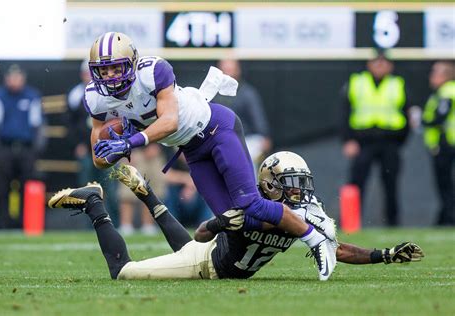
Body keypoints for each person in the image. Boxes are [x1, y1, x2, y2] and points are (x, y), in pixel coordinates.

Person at [83, 32, 336, 278]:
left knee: (249, 203)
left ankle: (314, 238)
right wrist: (112, 149)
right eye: (103, 71)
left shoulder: (152, 72)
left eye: (116, 69)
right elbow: (99, 159)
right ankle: (300, 215)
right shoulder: (96, 97)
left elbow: (170, 121)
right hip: (192, 150)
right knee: (234, 221)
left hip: (216, 129)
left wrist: (129, 142)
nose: (110, 77)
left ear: (133, 63)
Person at [48, 152, 424, 281]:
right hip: (207, 262)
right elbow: (199, 236)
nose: (298, 191)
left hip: (217, 258)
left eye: (301, 183)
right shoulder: (250, 204)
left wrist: (384, 255)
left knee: (190, 251)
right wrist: (221, 221)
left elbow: (335, 249)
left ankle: (145, 192)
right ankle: (94, 205)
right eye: (290, 184)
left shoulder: (305, 213)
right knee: (124, 273)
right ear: (271, 184)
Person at [340, 50, 411, 226]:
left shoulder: (398, 84)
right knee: (357, 182)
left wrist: (401, 140)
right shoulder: (357, 82)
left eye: (383, 62)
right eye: (376, 62)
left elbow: (408, 114)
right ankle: (351, 222)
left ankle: (393, 223)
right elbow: (344, 112)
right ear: (369, 64)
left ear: (390, 65)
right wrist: (348, 140)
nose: (380, 66)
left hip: (389, 141)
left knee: (390, 183)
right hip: (364, 140)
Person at [0, 64, 46, 229]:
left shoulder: (32, 95)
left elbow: (38, 125)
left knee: (27, 187)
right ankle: (2, 224)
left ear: (23, 78)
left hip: (26, 149)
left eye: (17, 77)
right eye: (11, 77)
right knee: (2, 188)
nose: (14, 80)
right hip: (5, 148)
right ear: (6, 79)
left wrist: (36, 150)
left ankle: (26, 223)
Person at [66, 59, 119, 226]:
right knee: (88, 188)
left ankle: (114, 223)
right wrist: (77, 144)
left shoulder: (107, 92)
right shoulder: (75, 95)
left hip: (106, 146)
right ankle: (90, 224)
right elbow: (70, 124)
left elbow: (117, 119)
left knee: (110, 187)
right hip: (86, 148)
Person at [215, 58, 272, 170]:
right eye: (225, 70)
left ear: (238, 70)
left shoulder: (247, 93)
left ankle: (250, 186)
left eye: (231, 69)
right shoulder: (213, 93)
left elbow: (259, 121)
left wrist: (265, 136)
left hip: (246, 139)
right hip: (219, 139)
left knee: (245, 155)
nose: (228, 73)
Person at [422, 61, 455, 226]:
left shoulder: (447, 91)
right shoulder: (443, 92)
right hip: (446, 144)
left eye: (435, 73)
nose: (431, 76)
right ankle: (445, 217)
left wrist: (423, 121)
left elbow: (441, 116)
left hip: (447, 145)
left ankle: (449, 218)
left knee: (445, 184)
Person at [163, 148, 213, 228]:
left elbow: (207, 176)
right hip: (178, 194)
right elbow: (165, 175)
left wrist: (191, 187)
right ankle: (171, 225)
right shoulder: (173, 158)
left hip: (196, 193)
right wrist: (187, 180)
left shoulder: (199, 158)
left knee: (207, 191)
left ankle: (204, 225)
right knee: (169, 191)